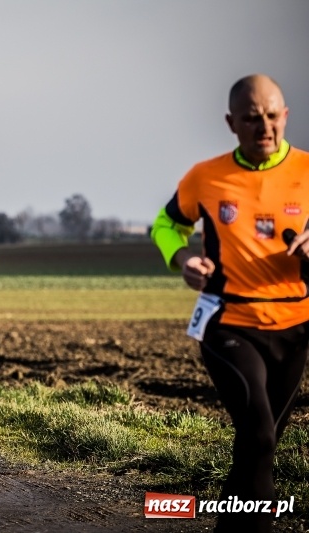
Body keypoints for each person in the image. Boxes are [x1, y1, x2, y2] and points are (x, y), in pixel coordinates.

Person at [151, 74, 309, 533]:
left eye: (272, 116)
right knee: (259, 435)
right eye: (252, 118)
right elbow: (166, 224)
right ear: (231, 123)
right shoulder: (206, 176)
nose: (265, 127)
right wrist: (183, 258)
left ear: (286, 115)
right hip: (228, 323)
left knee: (259, 445)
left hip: (295, 326)